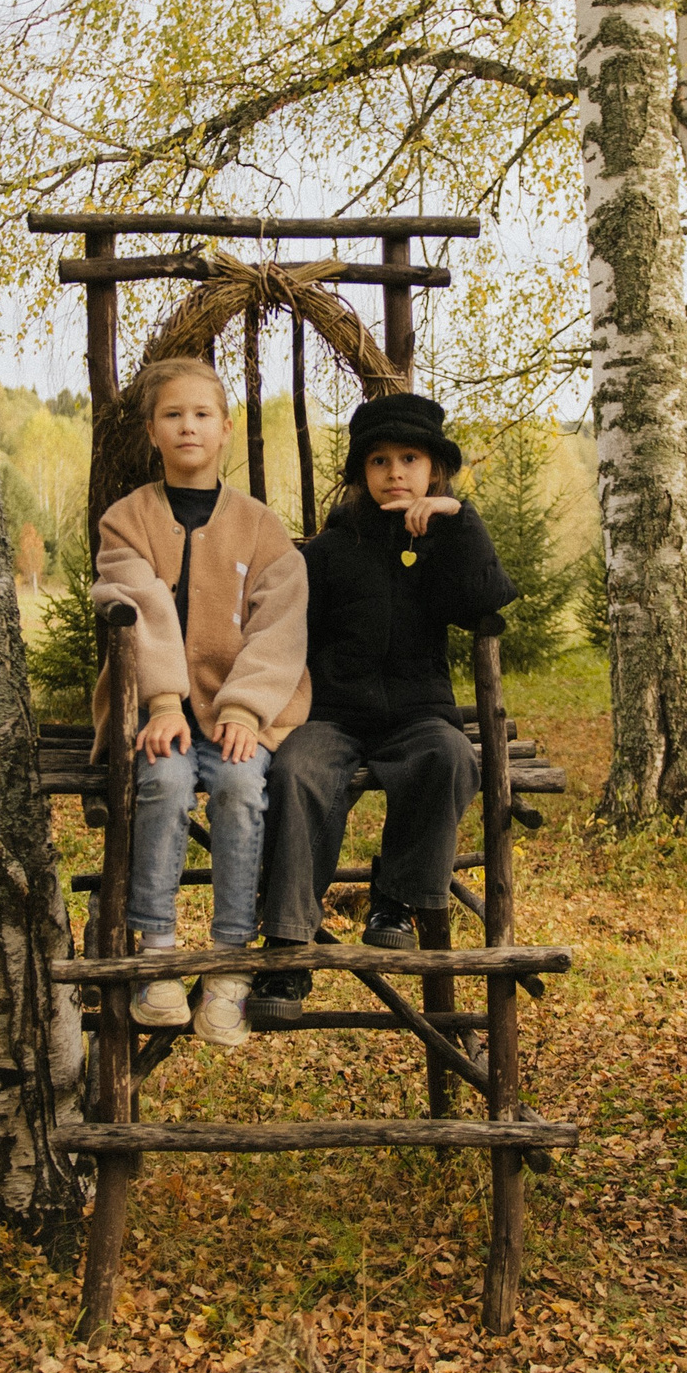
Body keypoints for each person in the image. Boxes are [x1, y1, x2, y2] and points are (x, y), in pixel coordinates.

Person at [249, 394, 515, 1024]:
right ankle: (287, 944)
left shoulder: (446, 541)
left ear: (434, 471)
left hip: (419, 716)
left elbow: (487, 599)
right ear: (359, 474)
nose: (395, 472)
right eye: (379, 460)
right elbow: (287, 633)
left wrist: (460, 516)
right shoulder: (331, 551)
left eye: (410, 459)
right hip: (333, 716)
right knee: (296, 771)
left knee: (449, 757)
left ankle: (394, 902)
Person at [90, 358, 310, 1047]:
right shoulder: (126, 520)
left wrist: (244, 710)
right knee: (163, 779)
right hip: (155, 714)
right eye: (173, 415)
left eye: (202, 414)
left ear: (226, 429)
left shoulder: (261, 527)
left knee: (243, 786)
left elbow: (280, 628)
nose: (188, 425)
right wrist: (159, 703)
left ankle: (227, 967)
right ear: (153, 430)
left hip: (240, 714)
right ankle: (156, 957)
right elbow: (134, 603)